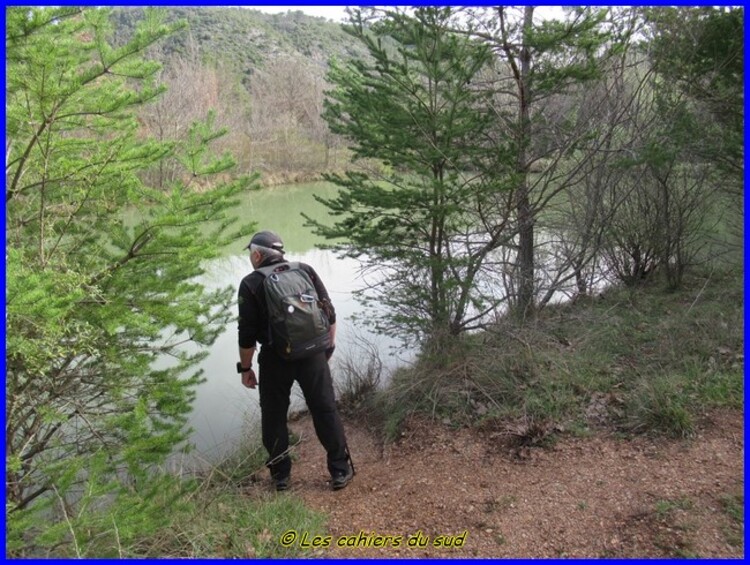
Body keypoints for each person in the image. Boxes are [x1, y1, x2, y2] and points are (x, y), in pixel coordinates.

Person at [236, 230, 354, 492]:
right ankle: (340, 470)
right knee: (325, 410)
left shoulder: (251, 283)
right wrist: (327, 350)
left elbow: (246, 337)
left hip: (275, 358)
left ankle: (280, 476)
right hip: (313, 353)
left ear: (256, 255)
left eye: (249, 254)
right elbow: (329, 313)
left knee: (274, 416)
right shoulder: (305, 269)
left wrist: (245, 369)